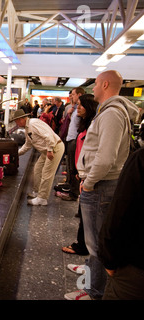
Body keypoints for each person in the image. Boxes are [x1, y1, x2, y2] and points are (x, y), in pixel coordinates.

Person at [64, 70, 139, 301]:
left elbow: (106, 157)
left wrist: (89, 181)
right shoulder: (108, 112)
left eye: (95, 84)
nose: (93, 89)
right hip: (99, 184)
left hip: (100, 186)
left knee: (95, 242)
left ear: (105, 84)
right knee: (91, 238)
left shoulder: (111, 114)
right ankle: (90, 273)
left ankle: (95, 290)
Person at [98, 147, 144, 299]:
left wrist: (108, 259)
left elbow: (120, 213)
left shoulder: (141, 159)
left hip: (135, 268)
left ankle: (92, 286)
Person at [61, 94, 97, 256]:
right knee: (84, 213)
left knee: (88, 216)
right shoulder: (85, 123)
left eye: (81, 105)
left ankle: (82, 247)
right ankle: (82, 245)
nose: (78, 108)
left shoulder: (93, 126)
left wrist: (85, 176)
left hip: (88, 177)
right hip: (83, 174)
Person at [12, 109, 65, 206]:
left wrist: (49, 150)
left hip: (54, 149)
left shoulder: (33, 123)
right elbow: (27, 145)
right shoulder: (28, 128)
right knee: (37, 169)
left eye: (16, 121)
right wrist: (15, 154)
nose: (16, 123)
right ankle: (37, 192)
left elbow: (48, 136)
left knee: (47, 173)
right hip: (46, 151)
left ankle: (42, 198)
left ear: (21, 119)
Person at [56, 87, 85, 201]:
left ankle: (74, 193)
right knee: (69, 166)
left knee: (73, 167)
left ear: (79, 94)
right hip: (70, 139)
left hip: (75, 140)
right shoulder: (74, 108)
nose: (71, 96)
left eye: (73, 94)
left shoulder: (81, 109)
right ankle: (70, 187)